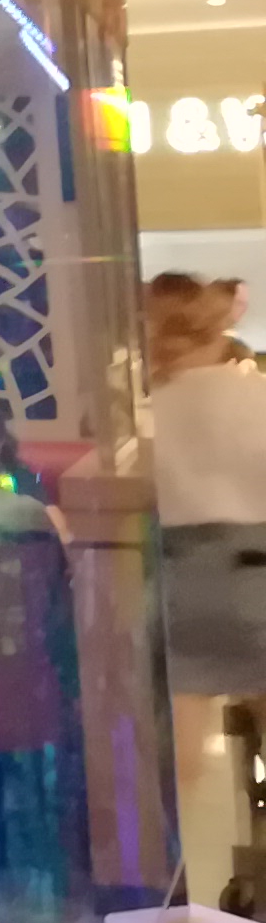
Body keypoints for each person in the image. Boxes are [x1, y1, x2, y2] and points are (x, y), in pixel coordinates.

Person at [151, 275, 266, 702]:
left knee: (182, 731)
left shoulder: (145, 411)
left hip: (176, 576)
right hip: (257, 563)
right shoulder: (258, 397)